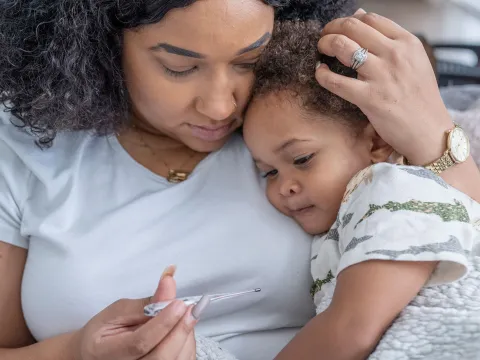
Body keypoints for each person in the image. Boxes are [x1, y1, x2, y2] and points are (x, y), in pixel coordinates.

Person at [0, 1, 479, 359]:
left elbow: (454, 227)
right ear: (97, 45)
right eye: (180, 67)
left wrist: (435, 131)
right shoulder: (23, 149)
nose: (221, 106)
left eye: (249, 61)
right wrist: (75, 352)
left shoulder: (306, 122)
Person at [243, 20, 479, 360]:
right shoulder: (349, 217)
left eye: (302, 159)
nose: (284, 187)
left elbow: (351, 330)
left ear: (377, 142)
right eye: (268, 173)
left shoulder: (393, 191)